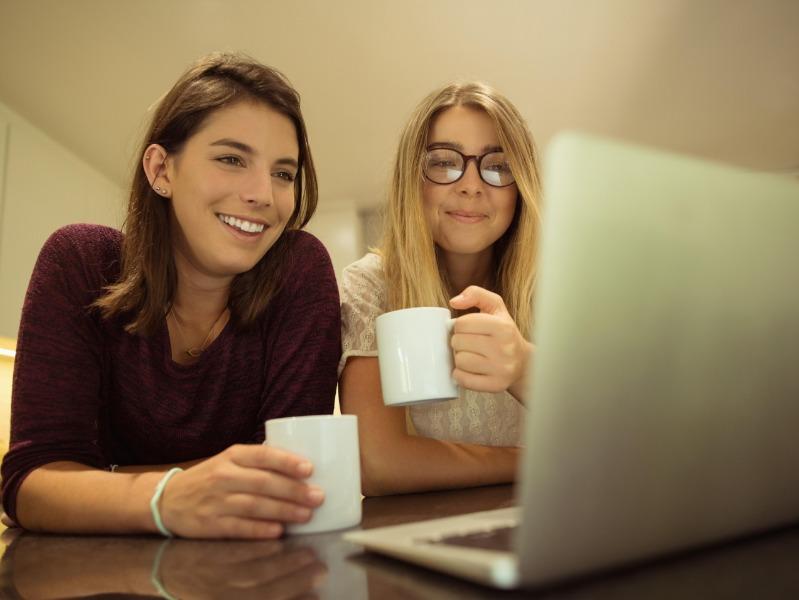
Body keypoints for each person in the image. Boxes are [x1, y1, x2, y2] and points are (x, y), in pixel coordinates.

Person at [0, 53, 341, 538]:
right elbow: (30, 482)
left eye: (284, 173)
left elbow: (287, 476)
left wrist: (103, 483)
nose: (264, 193)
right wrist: (169, 497)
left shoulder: (299, 273)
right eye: (231, 159)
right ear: (161, 169)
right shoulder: (79, 262)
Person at [339, 82, 540, 495]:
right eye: (445, 162)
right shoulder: (370, 286)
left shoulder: (557, 288)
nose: (470, 185)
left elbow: (615, 439)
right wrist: (537, 461)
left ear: (521, 188)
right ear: (412, 179)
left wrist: (523, 367)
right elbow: (379, 465)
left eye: (498, 166)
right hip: (418, 529)